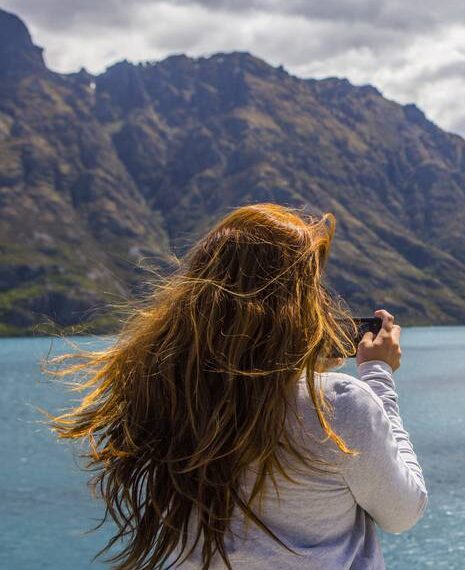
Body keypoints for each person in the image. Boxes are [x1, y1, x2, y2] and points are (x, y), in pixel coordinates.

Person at [48, 203, 428, 570]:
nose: (322, 303)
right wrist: (378, 376)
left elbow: (249, 387)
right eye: (313, 290)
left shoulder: (166, 392)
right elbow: (402, 512)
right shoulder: (340, 406)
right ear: (294, 305)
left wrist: (299, 365)